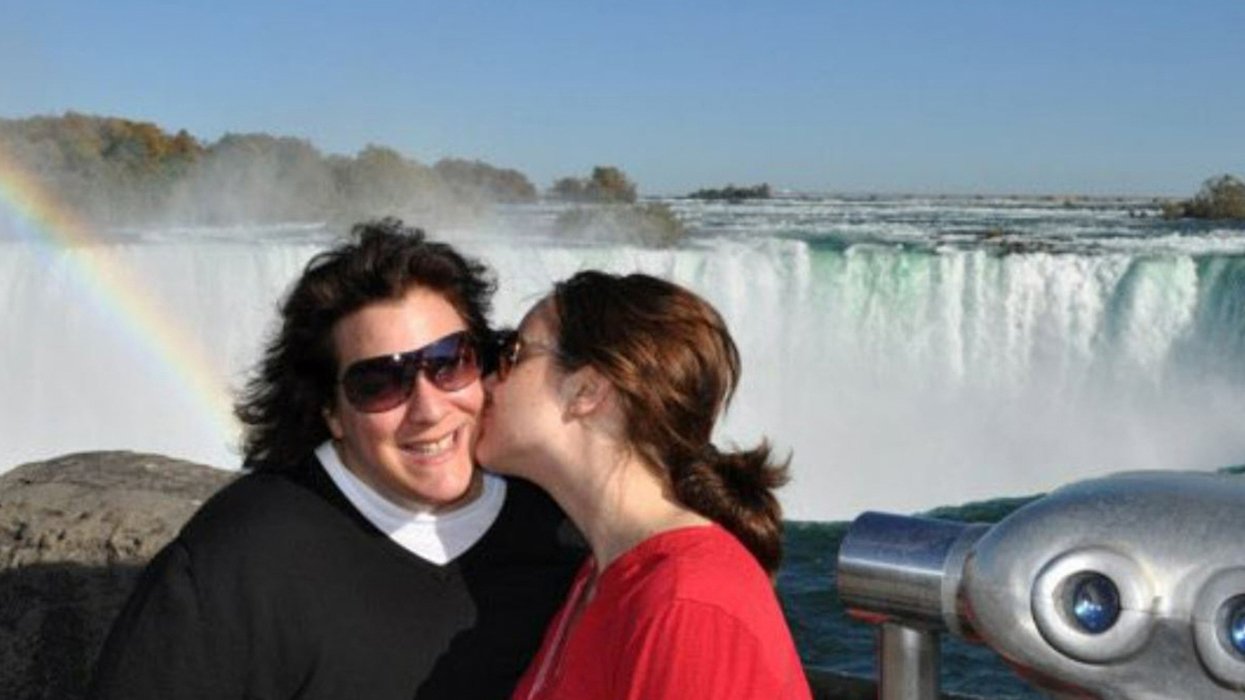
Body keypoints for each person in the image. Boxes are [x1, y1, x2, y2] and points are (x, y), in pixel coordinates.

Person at [88, 219, 584, 700]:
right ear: (332, 412)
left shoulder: (559, 523)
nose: (429, 409)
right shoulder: (241, 559)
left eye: (449, 361)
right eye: (380, 383)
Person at [474, 270, 813, 699]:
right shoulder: (601, 578)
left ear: (586, 390)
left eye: (513, 354)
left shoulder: (688, 605)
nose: (487, 381)